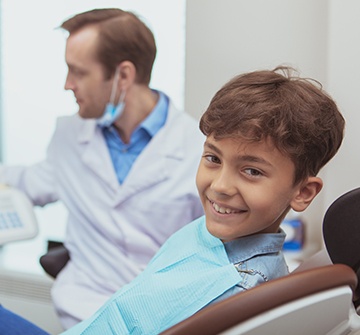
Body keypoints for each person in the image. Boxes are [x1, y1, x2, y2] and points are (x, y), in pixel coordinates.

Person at [0, 66, 345, 334]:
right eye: (213, 158)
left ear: (303, 192)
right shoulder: (213, 235)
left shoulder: (237, 289)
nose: (220, 186)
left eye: (252, 171)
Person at [0, 8, 204, 329]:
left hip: (159, 322)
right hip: (83, 315)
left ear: (123, 75)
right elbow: (29, 181)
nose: (68, 85)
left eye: (78, 72)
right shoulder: (70, 136)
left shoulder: (199, 150)